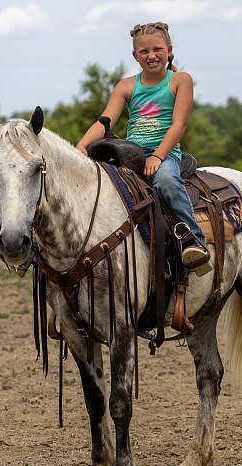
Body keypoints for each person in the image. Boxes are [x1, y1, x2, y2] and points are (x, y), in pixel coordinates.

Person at [77, 21, 211, 277]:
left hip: (164, 153)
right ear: (135, 56)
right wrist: (82, 144)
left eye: (158, 49)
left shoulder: (180, 81)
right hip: (130, 153)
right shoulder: (127, 86)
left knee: (167, 183)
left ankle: (193, 241)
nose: (152, 56)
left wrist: (159, 156)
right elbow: (105, 121)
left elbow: (178, 124)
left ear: (169, 50)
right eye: (144, 51)